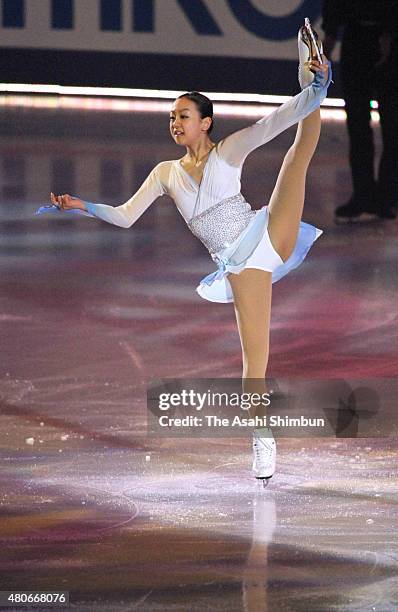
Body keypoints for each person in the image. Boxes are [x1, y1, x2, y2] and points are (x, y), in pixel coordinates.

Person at [38, 22, 331, 483]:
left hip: (269, 233)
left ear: (206, 122)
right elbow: (125, 216)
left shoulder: (229, 151)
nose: (175, 123)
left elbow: (274, 122)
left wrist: (316, 88)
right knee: (255, 364)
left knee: (298, 154)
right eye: (172, 117)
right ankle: (263, 436)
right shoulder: (165, 174)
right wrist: (81, 206)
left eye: (184, 116)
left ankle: (310, 76)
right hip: (242, 264)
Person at [322, 0, 398, 222]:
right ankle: (363, 194)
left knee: (392, 126)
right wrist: (331, 32)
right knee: (357, 124)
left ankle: (387, 195)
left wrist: (390, 32)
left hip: (391, 42)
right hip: (355, 39)